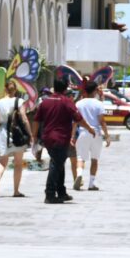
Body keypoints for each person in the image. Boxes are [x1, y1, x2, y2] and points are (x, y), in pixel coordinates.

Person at [31, 75, 81, 203]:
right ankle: (50, 194)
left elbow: (36, 120)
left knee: (59, 163)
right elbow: (78, 118)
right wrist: (91, 129)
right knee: (56, 164)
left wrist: (34, 136)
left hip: (48, 138)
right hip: (60, 138)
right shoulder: (66, 101)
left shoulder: (45, 102)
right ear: (65, 88)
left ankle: (61, 192)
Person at [0, 85, 32, 198]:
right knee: (18, 163)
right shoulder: (20, 101)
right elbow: (24, 118)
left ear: (5, 89)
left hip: (2, 133)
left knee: (2, 162)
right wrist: (30, 134)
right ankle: (16, 191)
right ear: (15, 90)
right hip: (17, 134)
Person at [75, 80, 110, 191]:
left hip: (83, 132)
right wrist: (107, 135)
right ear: (95, 91)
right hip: (96, 133)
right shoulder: (98, 104)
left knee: (80, 158)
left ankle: (79, 174)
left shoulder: (79, 104)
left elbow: (75, 121)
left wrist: (72, 136)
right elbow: (102, 121)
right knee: (94, 159)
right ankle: (91, 183)